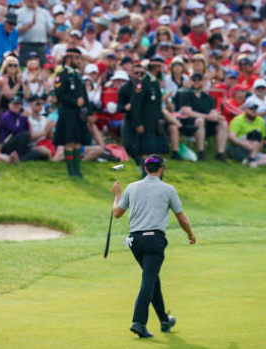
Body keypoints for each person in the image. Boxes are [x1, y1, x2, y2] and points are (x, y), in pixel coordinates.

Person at [111, 154, 196, 338]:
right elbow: (181, 218)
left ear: (145, 168)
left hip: (135, 241)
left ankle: (164, 320)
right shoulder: (168, 189)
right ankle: (139, 322)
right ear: (161, 169)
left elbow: (116, 213)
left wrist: (116, 196)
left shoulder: (132, 187)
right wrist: (190, 233)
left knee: (152, 278)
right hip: (153, 240)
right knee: (149, 279)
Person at [53, 48, 91, 178]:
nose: (79, 61)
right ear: (69, 59)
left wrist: (88, 111)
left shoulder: (78, 75)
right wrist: (75, 102)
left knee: (77, 142)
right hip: (67, 113)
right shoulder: (62, 75)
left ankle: (77, 170)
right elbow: (59, 95)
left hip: (79, 114)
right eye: (76, 58)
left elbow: (84, 95)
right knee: (69, 142)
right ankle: (71, 172)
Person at [130, 56, 170, 172]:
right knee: (145, 152)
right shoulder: (142, 82)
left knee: (154, 151)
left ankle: (153, 174)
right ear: (157, 67)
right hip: (144, 122)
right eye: (162, 67)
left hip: (154, 122)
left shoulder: (153, 82)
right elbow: (135, 105)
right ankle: (144, 174)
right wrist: (138, 123)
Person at [227, 99, 266, 167]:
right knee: (255, 133)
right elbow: (231, 136)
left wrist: (257, 151)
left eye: (255, 108)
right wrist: (243, 144)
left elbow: (262, 140)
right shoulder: (237, 120)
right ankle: (252, 158)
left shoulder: (261, 120)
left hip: (253, 149)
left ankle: (252, 163)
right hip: (238, 148)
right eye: (251, 108)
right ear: (245, 109)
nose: (253, 110)